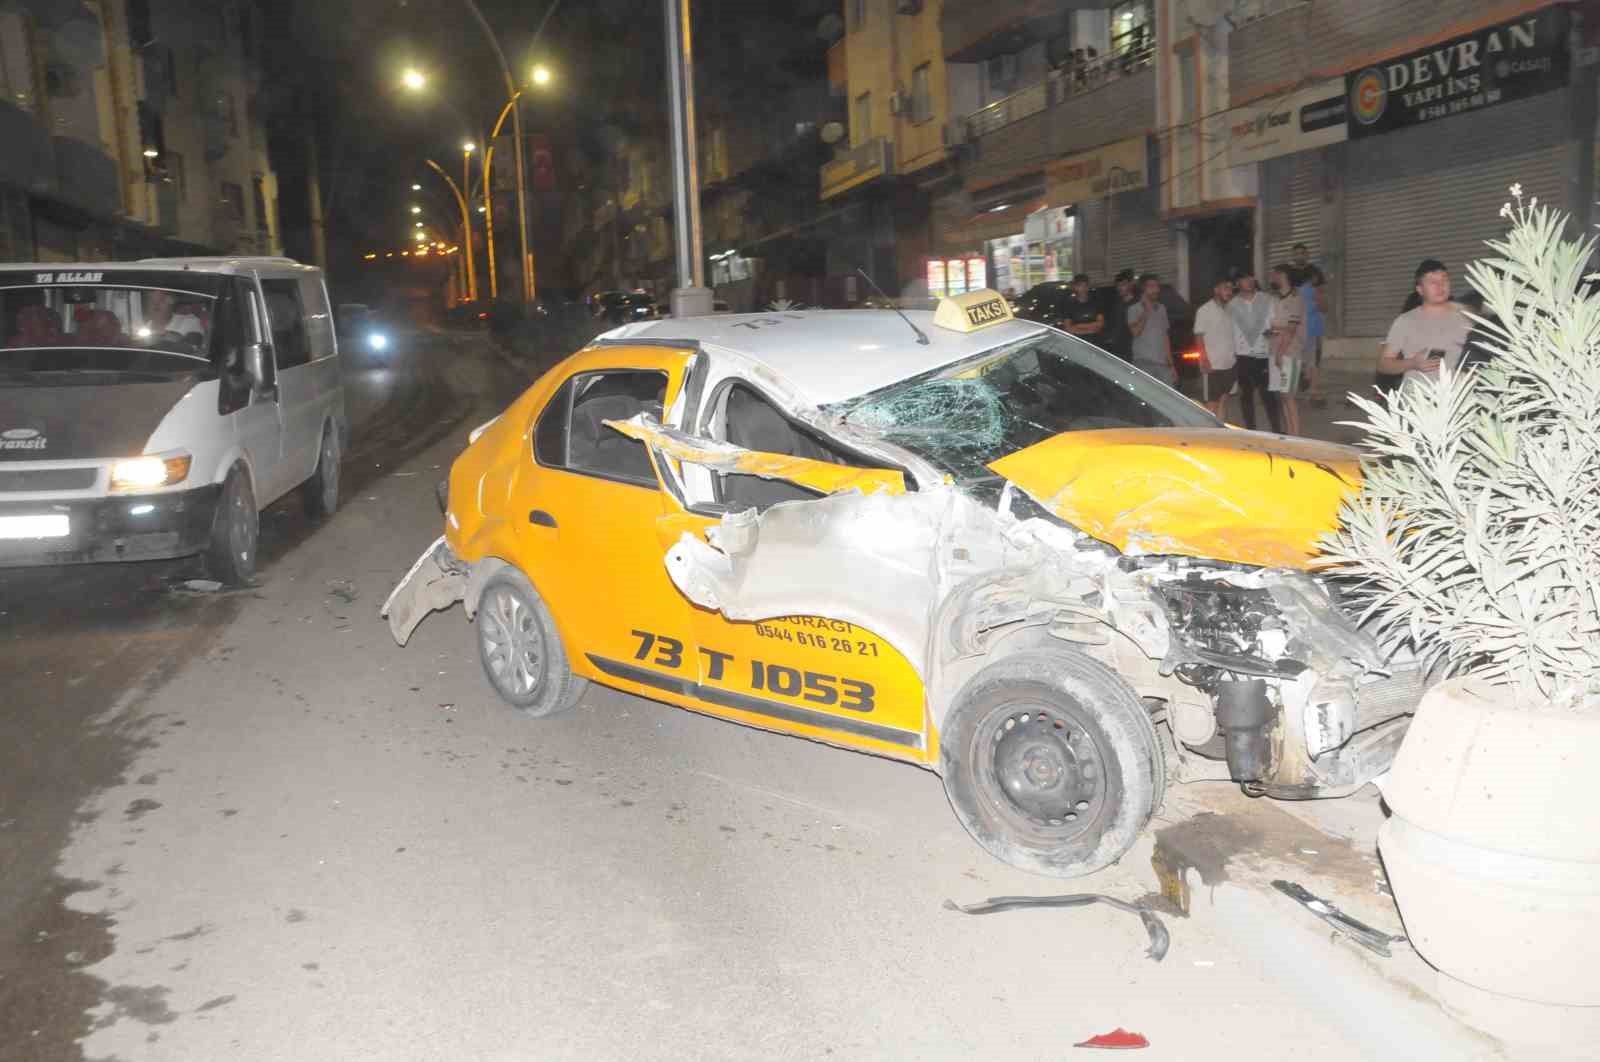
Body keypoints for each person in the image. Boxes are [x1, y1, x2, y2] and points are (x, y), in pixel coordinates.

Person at [1378, 258, 1472, 389]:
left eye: (1444, 280)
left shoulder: (1467, 314)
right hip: (1419, 399)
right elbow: (1384, 365)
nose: (1440, 286)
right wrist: (1412, 363)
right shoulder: (1405, 321)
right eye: (1432, 282)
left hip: (1459, 398)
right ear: (1420, 289)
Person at [1229, 266, 1282, 432]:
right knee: (1246, 396)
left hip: (1263, 355)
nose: (1249, 281)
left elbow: (1275, 325)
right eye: (1245, 279)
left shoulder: (1267, 300)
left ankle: (1277, 430)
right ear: (1237, 283)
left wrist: (1272, 334)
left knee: (1269, 396)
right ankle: (1251, 431)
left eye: (1251, 278)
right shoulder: (1232, 304)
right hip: (1242, 356)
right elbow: (1229, 331)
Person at [1266, 265, 1306, 435]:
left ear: (1283, 276)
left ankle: (1295, 436)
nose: (1271, 278)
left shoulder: (1296, 299)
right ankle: (1288, 434)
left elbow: (1291, 330)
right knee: (1281, 396)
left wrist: (1280, 353)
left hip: (1289, 353)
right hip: (1274, 351)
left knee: (1289, 397)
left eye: (1274, 275)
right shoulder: (1275, 299)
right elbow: (1271, 326)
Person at [1192, 274, 1236, 420]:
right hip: (1212, 365)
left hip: (1229, 363)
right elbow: (1198, 336)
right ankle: (1210, 437)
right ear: (1216, 290)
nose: (1229, 291)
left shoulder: (1231, 309)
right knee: (1211, 405)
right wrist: (1204, 359)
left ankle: (1222, 435)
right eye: (1225, 288)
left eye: (1230, 288)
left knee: (1224, 400)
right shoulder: (1204, 310)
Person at [1291, 245, 1329, 406]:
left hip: (1313, 325)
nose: (1300, 256)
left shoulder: (1315, 272)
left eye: (1302, 253)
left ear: (1307, 255)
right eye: (1296, 254)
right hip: (1294, 324)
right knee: (1294, 359)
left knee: (1313, 360)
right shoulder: (1290, 273)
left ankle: (1313, 391)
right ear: (1293, 256)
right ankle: (1295, 389)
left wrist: (1321, 306)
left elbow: (1322, 297)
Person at [1127, 272, 1172, 383]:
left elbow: (1165, 336)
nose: (1156, 290)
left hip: (1162, 364)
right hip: (1143, 363)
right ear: (1143, 289)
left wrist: (1171, 364)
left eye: (1157, 286)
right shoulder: (1134, 309)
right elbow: (1135, 332)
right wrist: (1146, 311)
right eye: (1151, 287)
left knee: (1168, 396)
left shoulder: (1162, 308)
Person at [1102, 268, 1138, 362]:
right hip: (1118, 349)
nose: (1120, 288)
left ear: (1131, 285)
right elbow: (1112, 325)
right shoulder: (1116, 304)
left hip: (1134, 349)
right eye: (1118, 285)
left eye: (1123, 285)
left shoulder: (1137, 304)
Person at [1059, 273, 1105, 344]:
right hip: (1077, 343)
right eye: (1080, 286)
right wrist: (1089, 329)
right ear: (1075, 287)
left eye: (1085, 285)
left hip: (1096, 343)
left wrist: (1078, 325)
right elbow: (1068, 328)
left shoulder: (1096, 301)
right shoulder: (1069, 305)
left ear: (1088, 286)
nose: (1083, 289)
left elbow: (1100, 323)